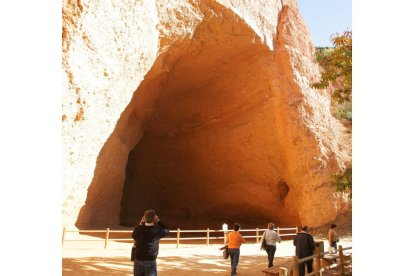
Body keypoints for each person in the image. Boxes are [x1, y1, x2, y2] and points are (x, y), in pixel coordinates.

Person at [132, 210, 169, 276]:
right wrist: (159, 221)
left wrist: (141, 222)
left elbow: (134, 236)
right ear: (155, 218)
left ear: (144, 218)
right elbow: (166, 230)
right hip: (150, 259)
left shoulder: (138, 229)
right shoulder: (157, 230)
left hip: (138, 258)